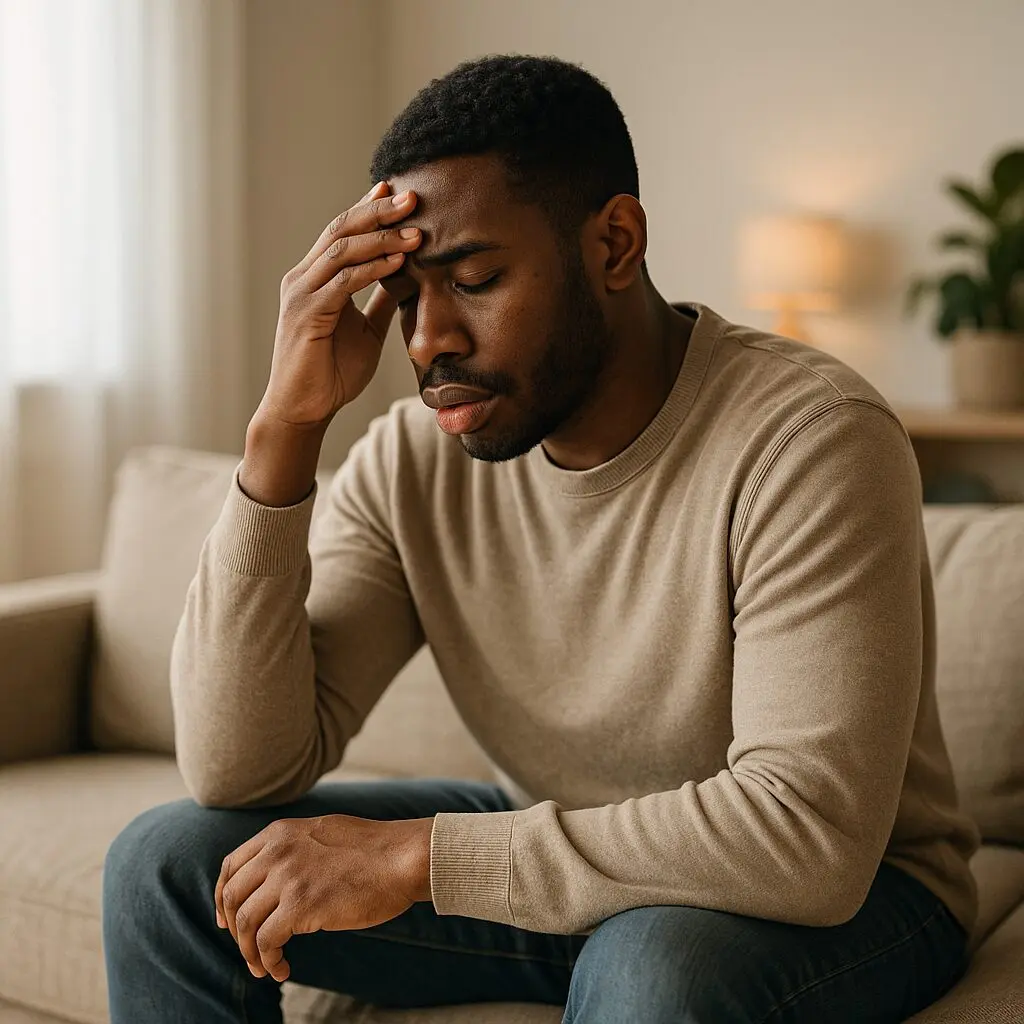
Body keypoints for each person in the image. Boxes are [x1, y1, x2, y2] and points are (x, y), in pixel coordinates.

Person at [102, 54, 979, 1023]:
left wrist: (422, 859)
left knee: (653, 967)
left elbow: (804, 836)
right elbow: (237, 769)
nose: (429, 338)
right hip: (568, 866)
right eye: (405, 296)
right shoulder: (411, 463)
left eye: (474, 279)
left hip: (852, 896)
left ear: (613, 244)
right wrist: (283, 432)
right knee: (166, 867)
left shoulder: (810, 438)